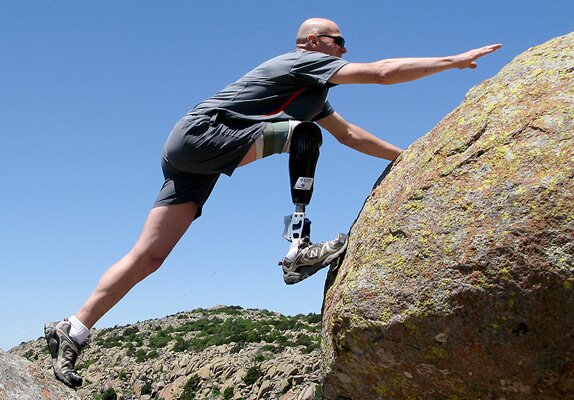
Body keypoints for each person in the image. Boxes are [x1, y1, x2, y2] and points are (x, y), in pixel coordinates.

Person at [44, 17, 501, 388]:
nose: (344, 49)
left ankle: (75, 328)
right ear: (313, 43)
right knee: (303, 135)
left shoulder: (311, 92)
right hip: (203, 134)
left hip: (189, 151)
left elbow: (350, 135)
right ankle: (296, 249)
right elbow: (381, 72)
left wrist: (411, 158)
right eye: (338, 41)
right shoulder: (300, 63)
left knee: (150, 256)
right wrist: (453, 61)